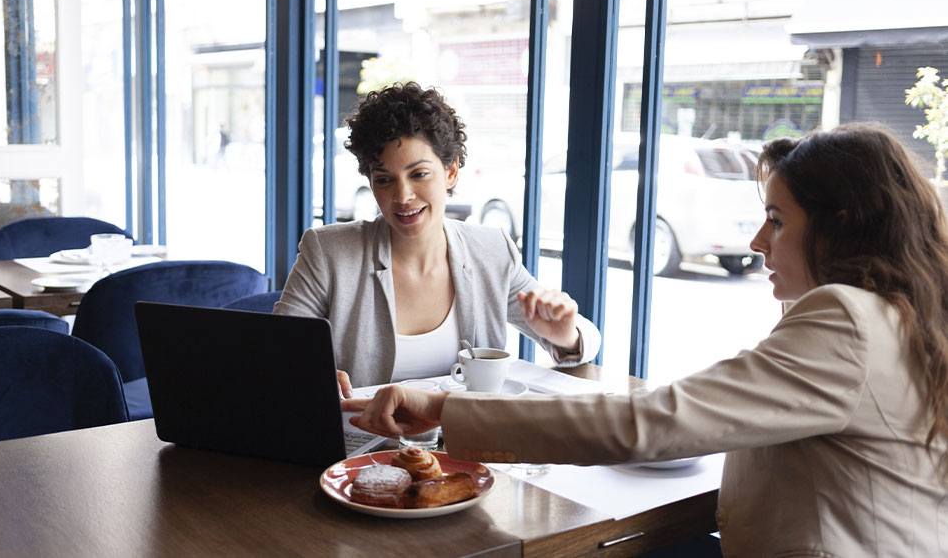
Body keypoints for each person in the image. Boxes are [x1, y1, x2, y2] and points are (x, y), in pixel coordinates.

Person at [345, 123, 948, 556]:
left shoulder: (848, 320)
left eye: (779, 219)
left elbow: (651, 421)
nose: (759, 242)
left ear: (841, 224)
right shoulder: (905, 312)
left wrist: (449, 408)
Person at [273, 82, 601, 394]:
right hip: (366, 442)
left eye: (419, 174)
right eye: (384, 180)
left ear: (451, 171)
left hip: (465, 439)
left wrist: (567, 337)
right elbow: (275, 350)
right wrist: (308, 372)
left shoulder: (491, 252)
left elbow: (583, 339)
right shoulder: (330, 252)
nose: (403, 196)